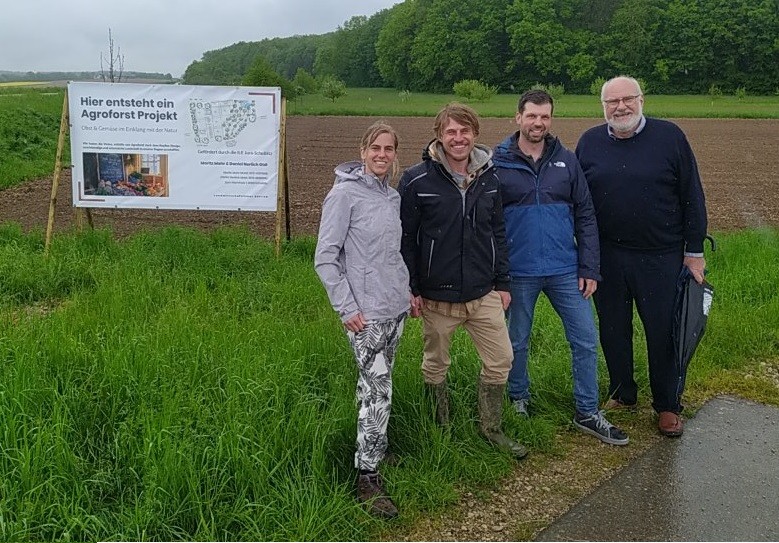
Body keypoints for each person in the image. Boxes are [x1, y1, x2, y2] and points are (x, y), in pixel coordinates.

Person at [493, 89, 628, 446]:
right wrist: (496, 275)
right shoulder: (496, 161)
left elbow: (585, 215)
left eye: (545, 117)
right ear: (518, 117)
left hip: (566, 270)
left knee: (585, 339)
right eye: (532, 116)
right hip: (517, 272)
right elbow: (485, 221)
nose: (538, 123)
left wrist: (589, 267)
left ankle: (587, 410)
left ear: (551, 120)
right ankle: (518, 399)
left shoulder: (566, 161)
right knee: (516, 341)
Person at [575, 76, 708, 438]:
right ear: (602, 106)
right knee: (613, 329)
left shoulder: (670, 137)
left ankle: (667, 405)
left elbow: (691, 196)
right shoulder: (589, 142)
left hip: (660, 256)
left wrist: (694, 253)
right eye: (612, 101)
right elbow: (579, 202)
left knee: (662, 331)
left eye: (627, 99)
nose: (620, 107)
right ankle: (623, 392)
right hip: (608, 257)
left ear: (641, 99)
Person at [398, 102, 527, 459]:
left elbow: (497, 232)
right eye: (451, 132)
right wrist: (412, 289)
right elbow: (405, 239)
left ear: (475, 135)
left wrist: (503, 284)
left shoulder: (491, 177)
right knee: (435, 365)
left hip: (483, 293)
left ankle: (492, 428)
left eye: (465, 131)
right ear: (439, 137)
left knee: (502, 359)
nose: (458, 138)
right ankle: (439, 429)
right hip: (437, 297)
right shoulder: (416, 180)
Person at [314, 121, 411, 519]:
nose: (382, 155)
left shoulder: (391, 197)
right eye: (375, 148)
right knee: (379, 390)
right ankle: (367, 476)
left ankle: (372, 450)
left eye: (389, 149)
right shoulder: (343, 195)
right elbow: (325, 258)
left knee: (373, 389)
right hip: (364, 316)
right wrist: (346, 308)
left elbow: (391, 253)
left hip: (394, 308)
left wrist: (406, 293)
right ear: (363, 150)